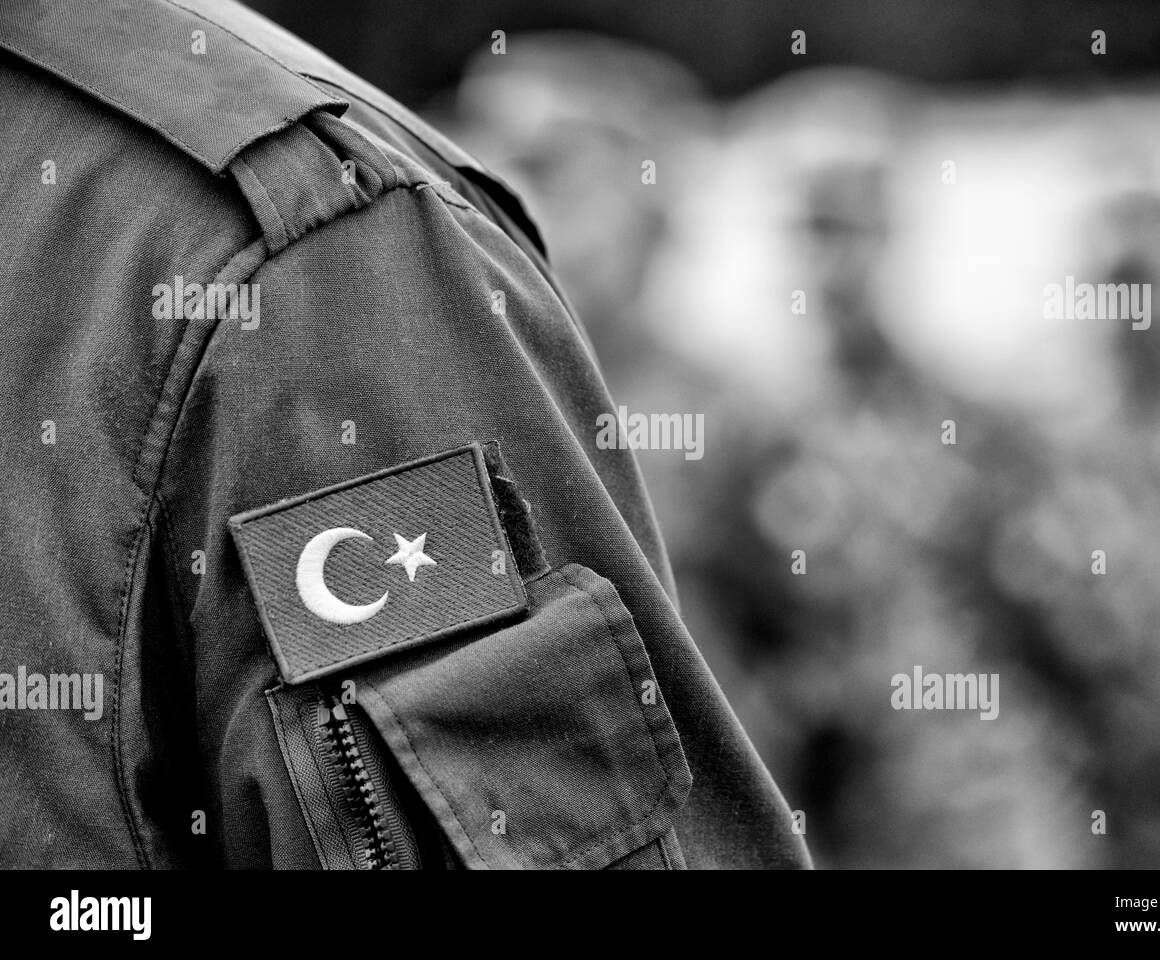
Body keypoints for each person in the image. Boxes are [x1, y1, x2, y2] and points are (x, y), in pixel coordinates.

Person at [0, 0, 811, 869]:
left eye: (554, 161)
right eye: (487, 138)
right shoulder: (352, 313)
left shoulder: (733, 413)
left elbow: (831, 676)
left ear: (654, 195)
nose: (507, 178)